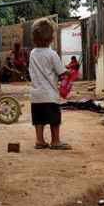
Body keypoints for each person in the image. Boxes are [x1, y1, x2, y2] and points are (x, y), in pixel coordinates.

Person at [28, 19, 71, 150]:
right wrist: (68, 74)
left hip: (36, 95)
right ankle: (55, 141)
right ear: (52, 38)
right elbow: (61, 72)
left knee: (39, 120)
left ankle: (39, 141)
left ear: (33, 38)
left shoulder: (32, 54)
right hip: (50, 94)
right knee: (54, 120)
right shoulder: (52, 54)